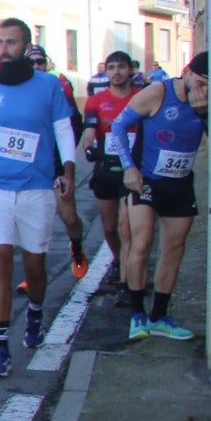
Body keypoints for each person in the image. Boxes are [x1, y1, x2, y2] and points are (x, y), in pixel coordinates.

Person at [0, 19, 76, 377]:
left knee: (35, 265)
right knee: (1, 262)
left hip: (36, 187)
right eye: (0, 41)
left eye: (12, 42)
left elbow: (63, 131)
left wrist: (67, 170)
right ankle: (0, 348)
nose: (4, 48)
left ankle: (35, 312)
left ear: (26, 45)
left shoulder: (48, 85)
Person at [114, 52, 209, 341]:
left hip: (180, 183)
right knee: (141, 243)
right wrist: (129, 168)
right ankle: (137, 314)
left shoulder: (210, 102)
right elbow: (118, 126)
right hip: (147, 180)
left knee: (175, 247)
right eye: (200, 82)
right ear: (187, 72)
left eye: (208, 85)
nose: (202, 90)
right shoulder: (157, 93)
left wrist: (205, 112)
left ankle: (160, 316)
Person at [80, 51, 141, 300]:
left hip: (133, 169)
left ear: (130, 70)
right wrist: (88, 144)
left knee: (127, 228)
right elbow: (89, 130)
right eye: (111, 68)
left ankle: (128, 281)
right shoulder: (96, 101)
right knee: (109, 227)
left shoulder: (142, 97)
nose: (116, 72)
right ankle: (118, 259)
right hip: (106, 168)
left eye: (121, 67)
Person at [28, 44, 89, 279]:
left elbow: (75, 123)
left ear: (47, 64)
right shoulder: (18, 87)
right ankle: (33, 275)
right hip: (31, 169)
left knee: (69, 217)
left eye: (40, 62)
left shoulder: (59, 84)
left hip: (55, 165)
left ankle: (77, 246)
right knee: (34, 225)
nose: (36, 67)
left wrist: (66, 162)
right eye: (32, 62)